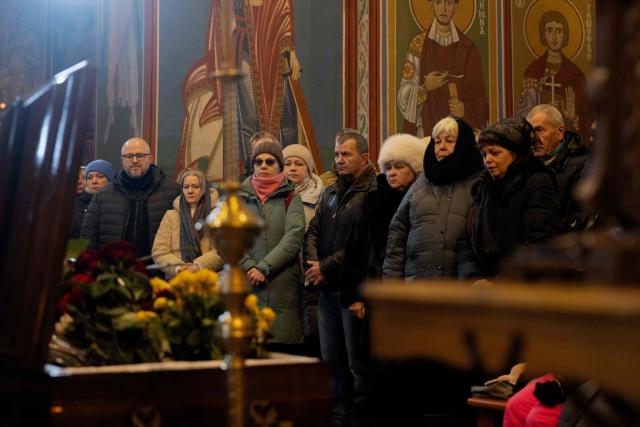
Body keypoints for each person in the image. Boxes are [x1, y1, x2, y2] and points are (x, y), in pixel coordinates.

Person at [177, 0, 311, 181]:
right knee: (250, 116)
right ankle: (251, 172)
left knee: (285, 117)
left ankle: (285, 172)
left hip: (273, 52)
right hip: (243, 49)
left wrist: (291, 51)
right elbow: (224, 17)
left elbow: (282, 14)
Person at [303, 129, 376, 426]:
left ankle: (359, 419)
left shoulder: (373, 191)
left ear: (364, 157)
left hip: (352, 289)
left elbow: (363, 243)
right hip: (326, 290)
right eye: (336, 154)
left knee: (356, 363)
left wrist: (326, 266)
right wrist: (314, 265)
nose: (339, 160)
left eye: (346, 154)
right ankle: (337, 417)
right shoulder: (330, 192)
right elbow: (313, 232)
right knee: (330, 360)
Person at [457, 116, 560, 280]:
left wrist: (500, 282)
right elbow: (466, 241)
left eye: (495, 153)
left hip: (520, 288)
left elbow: (538, 242)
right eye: (484, 154)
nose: (487, 160)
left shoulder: (536, 181)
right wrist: (472, 277)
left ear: (515, 154)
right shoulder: (483, 187)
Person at [384, 117, 484, 280]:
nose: (442, 147)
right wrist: (391, 281)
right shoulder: (422, 182)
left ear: (464, 143)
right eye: (437, 142)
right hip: (417, 287)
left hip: (461, 287)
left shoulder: (479, 180)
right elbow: (398, 231)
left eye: (450, 141)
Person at [239, 134, 305, 352]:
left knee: (281, 358)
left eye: (270, 162)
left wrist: (263, 267)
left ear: (279, 166)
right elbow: (228, 241)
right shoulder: (238, 197)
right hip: (246, 283)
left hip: (281, 284)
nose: (263, 166)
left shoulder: (290, 196)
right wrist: (249, 265)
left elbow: (293, 237)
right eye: (258, 162)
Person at [397, 0, 488, 137]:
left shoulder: (468, 49)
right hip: (426, 135)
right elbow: (403, 96)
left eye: (449, 3)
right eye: (439, 3)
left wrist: (464, 109)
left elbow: (480, 101)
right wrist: (425, 88)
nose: (443, 9)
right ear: (431, 5)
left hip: (459, 134)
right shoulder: (417, 45)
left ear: (456, 6)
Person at [81, 138, 179, 259]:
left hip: (159, 270)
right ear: (122, 160)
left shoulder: (172, 191)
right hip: (115, 271)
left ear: (150, 158)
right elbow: (89, 236)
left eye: (140, 155)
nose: (134, 160)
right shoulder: (103, 195)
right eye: (129, 156)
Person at [519, 10, 593, 143]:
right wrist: (542, 111)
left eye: (559, 31)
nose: (554, 37)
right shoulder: (534, 71)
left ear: (565, 35)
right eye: (549, 30)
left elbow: (586, 117)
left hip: (567, 144)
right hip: (538, 143)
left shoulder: (575, 75)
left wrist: (572, 117)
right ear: (543, 34)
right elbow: (524, 115)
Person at [283, 143, 324, 356]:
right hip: (284, 268)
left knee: (312, 329)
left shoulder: (320, 197)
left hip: (308, 266)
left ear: (308, 169)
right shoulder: (278, 196)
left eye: (299, 164)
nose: (292, 168)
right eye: (287, 164)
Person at [527, 104, 591, 232]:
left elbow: (578, 216)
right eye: (530, 132)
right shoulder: (526, 165)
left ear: (560, 132)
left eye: (539, 130)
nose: (533, 138)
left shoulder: (582, 165)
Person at [152, 169, 224, 278]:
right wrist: (180, 268)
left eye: (195, 187)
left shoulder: (217, 214)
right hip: (178, 280)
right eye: (186, 187)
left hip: (209, 279)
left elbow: (222, 250)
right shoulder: (171, 216)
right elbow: (159, 251)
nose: (190, 191)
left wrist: (197, 266)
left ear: (203, 189)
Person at [70, 160, 114, 239]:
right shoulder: (74, 204)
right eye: (89, 177)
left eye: (100, 176)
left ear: (110, 179)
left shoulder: (120, 201)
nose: (94, 181)